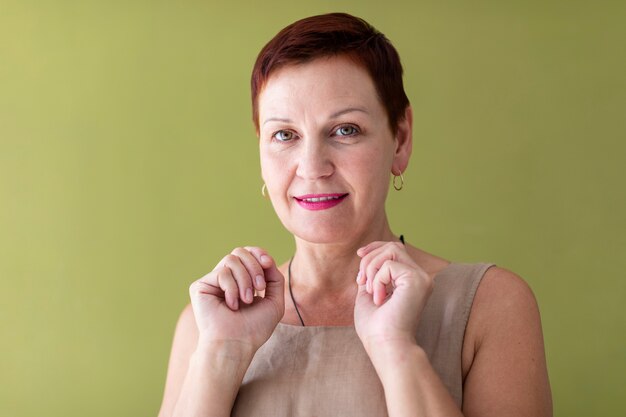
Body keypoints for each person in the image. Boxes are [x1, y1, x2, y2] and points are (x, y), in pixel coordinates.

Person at [158, 12, 552, 417]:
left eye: (345, 130)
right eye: (285, 135)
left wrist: (394, 348)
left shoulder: (490, 306)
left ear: (399, 139)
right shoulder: (206, 325)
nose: (312, 166)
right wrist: (222, 353)